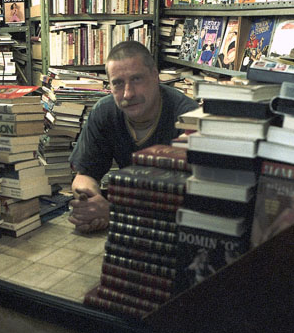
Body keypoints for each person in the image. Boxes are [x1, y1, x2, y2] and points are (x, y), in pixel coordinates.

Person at [67, 41, 199, 233]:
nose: (128, 94)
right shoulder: (105, 112)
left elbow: (188, 199)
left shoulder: (188, 118)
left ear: (155, 76)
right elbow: (84, 175)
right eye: (118, 83)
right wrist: (91, 203)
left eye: (136, 79)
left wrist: (114, 212)